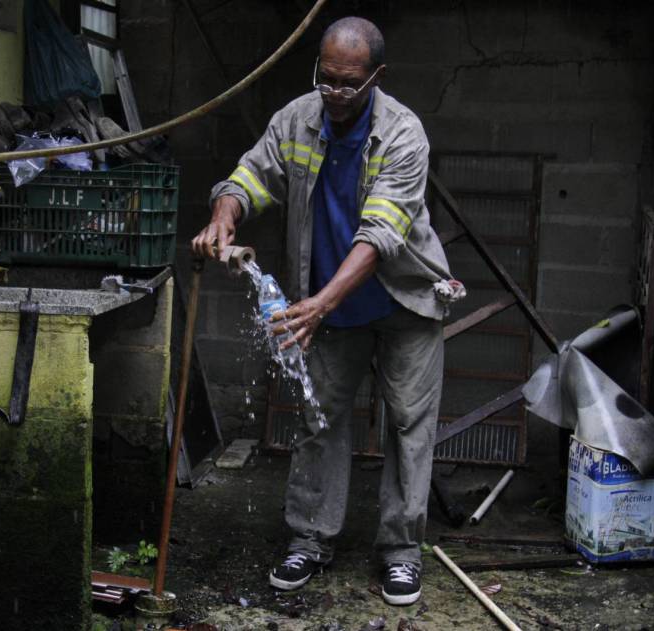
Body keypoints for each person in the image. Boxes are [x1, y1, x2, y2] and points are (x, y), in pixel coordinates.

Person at [191, 16, 458, 607]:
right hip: (331, 307)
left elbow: (380, 235)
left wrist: (318, 304)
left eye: (348, 85)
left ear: (376, 78)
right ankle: (309, 539)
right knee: (319, 419)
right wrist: (226, 212)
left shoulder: (403, 134)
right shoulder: (297, 119)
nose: (334, 94)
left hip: (404, 300)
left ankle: (400, 551)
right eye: (326, 79)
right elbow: (253, 173)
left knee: (409, 426)